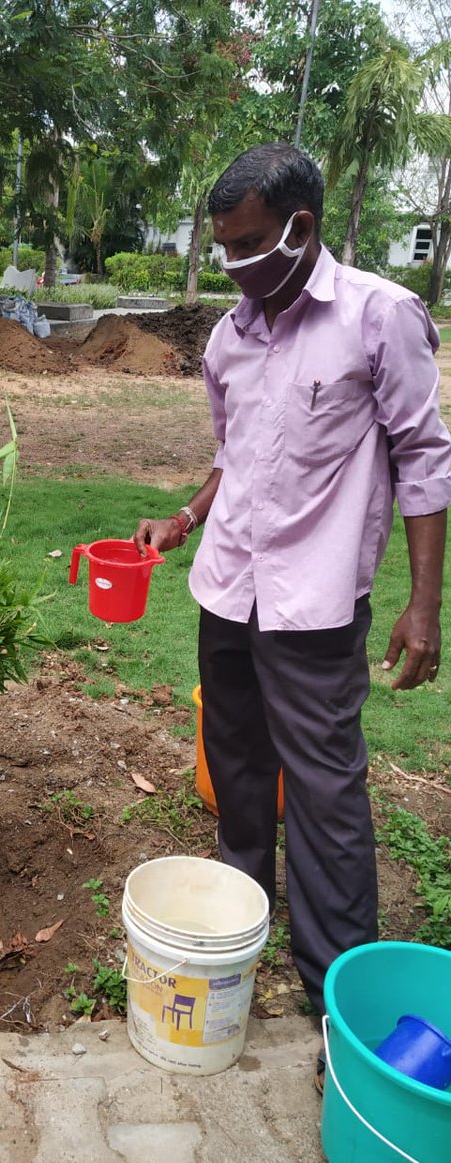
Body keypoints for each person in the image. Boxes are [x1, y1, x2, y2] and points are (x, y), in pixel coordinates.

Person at [133, 143, 451, 1085]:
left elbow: (425, 461)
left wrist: (424, 603)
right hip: (228, 592)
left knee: (325, 798)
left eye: (245, 245)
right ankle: (240, 927)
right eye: (221, 247)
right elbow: (234, 456)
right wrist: (186, 517)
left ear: (301, 230)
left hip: (314, 608)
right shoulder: (231, 338)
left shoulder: (377, 318)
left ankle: (332, 999)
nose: (231, 265)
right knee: (236, 776)